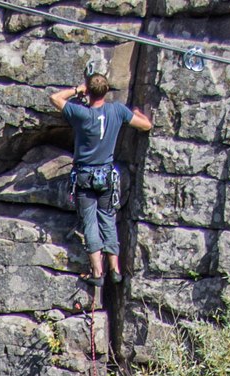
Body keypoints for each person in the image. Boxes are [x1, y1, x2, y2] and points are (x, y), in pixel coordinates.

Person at [49, 68, 153, 287]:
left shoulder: (81, 114)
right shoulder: (118, 111)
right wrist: (137, 111)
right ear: (106, 91)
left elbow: (55, 98)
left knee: (89, 221)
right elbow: (146, 126)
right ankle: (114, 270)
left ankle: (98, 272)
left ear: (89, 91)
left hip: (85, 176)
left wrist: (78, 89)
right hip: (106, 177)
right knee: (107, 219)